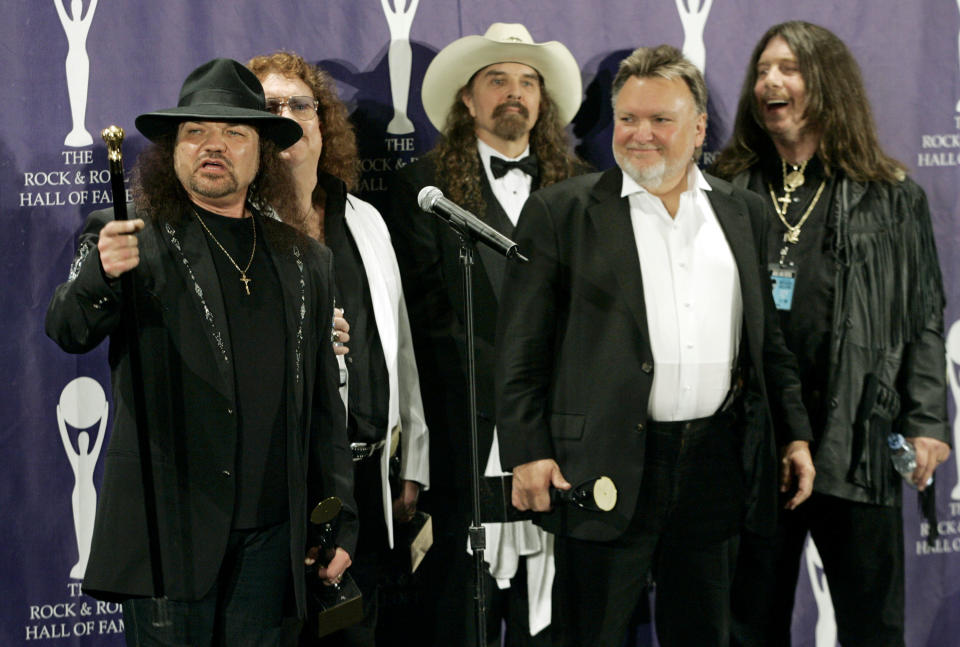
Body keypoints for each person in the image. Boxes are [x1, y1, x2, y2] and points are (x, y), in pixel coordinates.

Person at [495, 44, 815, 647]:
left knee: (706, 632)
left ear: (697, 130)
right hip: (601, 466)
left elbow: (769, 343)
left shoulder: (744, 213)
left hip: (715, 467)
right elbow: (520, 350)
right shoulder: (560, 213)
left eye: (660, 120)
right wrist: (526, 450)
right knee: (590, 633)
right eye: (627, 118)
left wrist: (793, 432)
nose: (640, 134)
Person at [45, 58, 357, 647]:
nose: (213, 146)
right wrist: (101, 278)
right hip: (170, 538)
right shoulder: (130, 235)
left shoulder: (306, 260)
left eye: (234, 133)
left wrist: (340, 519)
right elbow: (67, 329)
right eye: (196, 132)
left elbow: (323, 408)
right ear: (174, 150)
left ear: (262, 151)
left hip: (272, 545)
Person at [711, 21, 951, 647]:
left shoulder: (891, 196)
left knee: (873, 625)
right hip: (756, 447)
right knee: (747, 625)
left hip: (857, 440)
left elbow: (924, 314)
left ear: (828, 84)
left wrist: (926, 420)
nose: (771, 81)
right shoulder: (729, 189)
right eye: (763, 70)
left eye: (788, 68)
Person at [384, 22, 584, 647]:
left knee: (547, 617)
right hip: (459, 441)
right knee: (456, 613)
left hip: (561, 438)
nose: (514, 93)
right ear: (467, 99)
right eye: (497, 80)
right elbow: (415, 323)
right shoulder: (421, 189)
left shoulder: (582, 189)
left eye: (528, 82)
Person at [247, 50, 430, 646]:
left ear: (323, 122)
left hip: (369, 482)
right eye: (268, 107)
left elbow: (398, 346)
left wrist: (413, 462)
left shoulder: (366, 219)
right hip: (279, 491)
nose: (287, 117)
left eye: (301, 105)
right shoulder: (235, 229)